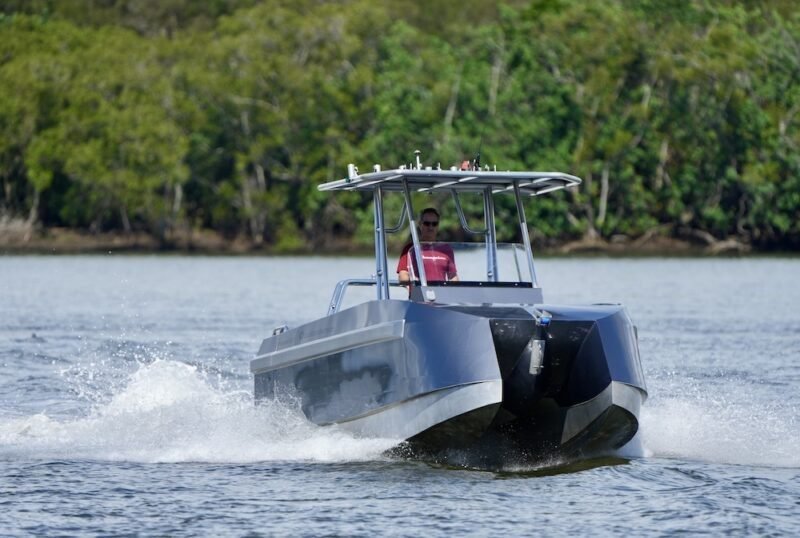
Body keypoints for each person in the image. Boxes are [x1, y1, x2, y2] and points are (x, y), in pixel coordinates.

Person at [397, 208, 459, 284]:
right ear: (420, 225)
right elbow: (403, 275)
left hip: (442, 294)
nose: (430, 227)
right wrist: (413, 286)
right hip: (419, 294)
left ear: (438, 226)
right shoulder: (410, 249)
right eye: (427, 223)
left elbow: (453, 276)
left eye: (434, 224)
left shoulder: (446, 249)